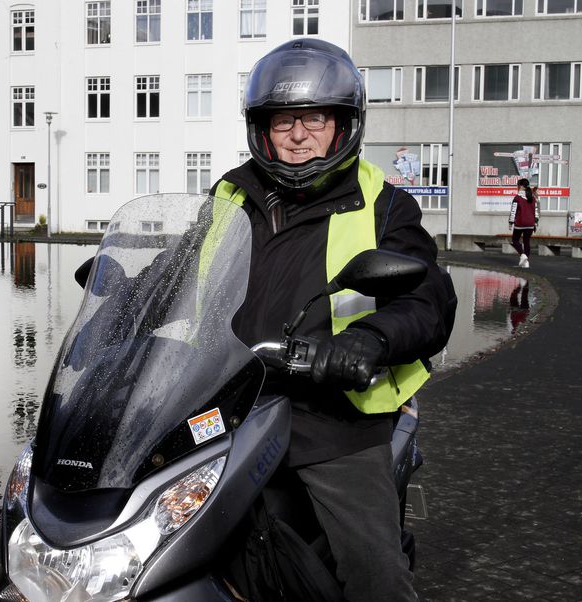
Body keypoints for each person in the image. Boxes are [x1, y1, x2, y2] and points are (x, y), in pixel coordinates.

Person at [210, 39, 454, 601]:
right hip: (234, 408)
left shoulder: (383, 204)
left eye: (314, 118)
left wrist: (368, 340)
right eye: (282, 120)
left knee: (376, 574)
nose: (298, 135)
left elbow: (429, 298)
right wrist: (132, 301)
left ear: (342, 124)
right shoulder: (229, 197)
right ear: (261, 128)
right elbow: (186, 279)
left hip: (335, 418)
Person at [508, 178, 539, 269]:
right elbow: (536, 211)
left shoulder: (517, 198)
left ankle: (522, 255)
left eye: (518, 185)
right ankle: (526, 263)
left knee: (515, 240)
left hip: (520, 223)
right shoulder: (532, 198)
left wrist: (510, 222)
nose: (517, 187)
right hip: (530, 223)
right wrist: (535, 222)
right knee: (526, 242)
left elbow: (513, 211)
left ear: (521, 186)